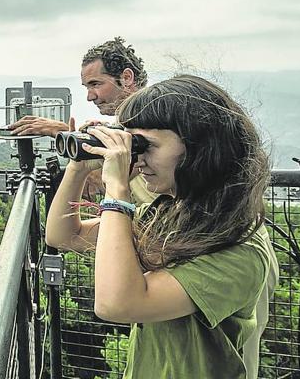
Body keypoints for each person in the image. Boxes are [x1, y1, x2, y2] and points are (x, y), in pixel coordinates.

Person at [44, 75, 279, 379]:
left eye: (146, 146)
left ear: (198, 147)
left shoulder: (240, 250)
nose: (137, 160)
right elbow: (64, 236)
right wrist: (78, 167)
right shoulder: (167, 214)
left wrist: (117, 189)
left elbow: (116, 304)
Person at [8, 36, 152, 201]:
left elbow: (103, 181)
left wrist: (65, 133)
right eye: (87, 87)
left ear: (126, 78)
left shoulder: (150, 123)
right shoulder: (131, 120)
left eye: (95, 84)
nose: (90, 97)